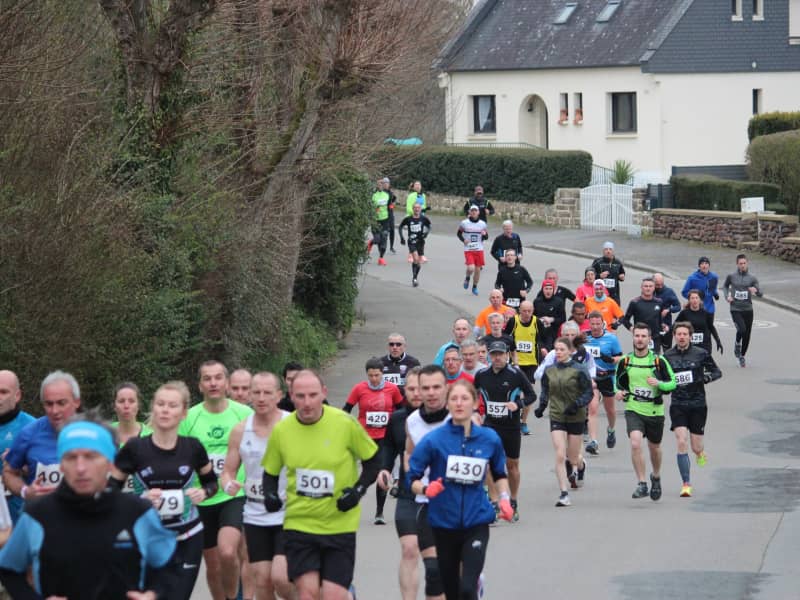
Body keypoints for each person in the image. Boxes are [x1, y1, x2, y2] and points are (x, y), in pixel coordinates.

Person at [0, 414, 180, 599]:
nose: (80, 468)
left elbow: (169, 565)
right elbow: (8, 569)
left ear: (111, 463)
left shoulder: (137, 512)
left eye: (91, 456)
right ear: (61, 464)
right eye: (71, 457)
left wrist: (153, 594)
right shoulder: (37, 515)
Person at [262, 370, 380, 600]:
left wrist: (357, 491)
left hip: (339, 524)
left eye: (313, 395)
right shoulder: (282, 430)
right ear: (291, 396)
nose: (307, 403)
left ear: (323, 393)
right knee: (307, 594)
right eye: (301, 396)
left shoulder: (344, 423)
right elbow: (270, 472)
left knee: (332, 596)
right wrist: (270, 494)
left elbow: (373, 462)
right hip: (300, 523)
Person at [112, 381, 218, 600]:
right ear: (153, 408)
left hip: (187, 536)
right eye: (160, 404)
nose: (165, 409)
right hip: (148, 536)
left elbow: (211, 483)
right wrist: (139, 498)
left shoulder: (193, 447)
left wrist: (204, 493)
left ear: (184, 413)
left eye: (172, 405)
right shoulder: (135, 448)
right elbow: (109, 491)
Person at [408, 380, 513, 600]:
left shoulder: (489, 439)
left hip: (477, 521)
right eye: (454, 399)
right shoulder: (434, 440)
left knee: (467, 588)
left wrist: (504, 498)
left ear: (475, 403)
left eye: (464, 398)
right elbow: (412, 478)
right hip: (443, 523)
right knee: (452, 591)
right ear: (447, 404)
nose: (459, 403)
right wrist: (426, 489)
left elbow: (500, 474)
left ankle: (475, 586)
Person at [178, 360, 253, 600]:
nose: (213, 383)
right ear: (199, 385)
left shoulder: (243, 414)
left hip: (235, 495)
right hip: (202, 499)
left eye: (218, 377)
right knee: (214, 565)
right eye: (207, 378)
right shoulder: (190, 418)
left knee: (230, 552)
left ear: (227, 383)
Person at [220, 372, 293, 600]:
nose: (261, 398)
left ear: (279, 395)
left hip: (289, 514)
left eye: (267, 393)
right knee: (262, 580)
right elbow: (228, 471)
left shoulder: (292, 425)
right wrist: (228, 484)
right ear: (250, 395)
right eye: (257, 392)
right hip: (255, 515)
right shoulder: (240, 431)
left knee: (281, 578)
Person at [375, 367, 427, 600]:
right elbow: (388, 447)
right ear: (404, 390)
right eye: (411, 388)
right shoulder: (397, 419)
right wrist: (385, 469)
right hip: (408, 493)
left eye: (421, 388)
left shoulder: (446, 418)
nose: (416, 393)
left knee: (439, 560)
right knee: (409, 550)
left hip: (441, 496)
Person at [474, 341, 536, 521]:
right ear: (489, 356)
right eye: (494, 354)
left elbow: (532, 395)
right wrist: (477, 413)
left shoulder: (516, 374)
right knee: (488, 464)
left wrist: (517, 404)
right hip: (490, 425)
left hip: (511, 426)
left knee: (512, 466)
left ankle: (513, 500)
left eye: (500, 354)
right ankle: (494, 503)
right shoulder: (482, 374)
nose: (497, 358)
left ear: (507, 355)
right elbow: (473, 394)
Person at [614, 323, 677, 500]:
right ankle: (642, 483)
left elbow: (673, 382)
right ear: (633, 338)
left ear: (649, 339)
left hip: (655, 411)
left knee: (654, 447)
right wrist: (618, 392)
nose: (640, 339)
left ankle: (655, 476)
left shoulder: (658, 361)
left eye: (643, 336)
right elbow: (616, 381)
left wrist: (660, 384)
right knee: (635, 443)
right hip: (634, 408)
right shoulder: (626, 361)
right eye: (637, 336)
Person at [404, 365, 451, 600]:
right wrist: (413, 480)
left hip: (461, 505)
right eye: (426, 388)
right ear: (419, 391)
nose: (431, 393)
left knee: (458, 576)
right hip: (428, 502)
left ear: (446, 388)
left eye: (436, 387)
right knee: (434, 572)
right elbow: (409, 454)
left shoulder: (460, 417)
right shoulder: (412, 421)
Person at [3, 371, 81, 505]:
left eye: (61, 403)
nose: (55, 411)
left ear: (76, 402)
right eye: (49, 404)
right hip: (43, 520)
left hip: (84, 519)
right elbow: (9, 472)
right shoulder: (29, 433)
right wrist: (25, 491)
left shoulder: (95, 433)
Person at [534, 336, 594, 506]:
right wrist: (542, 406)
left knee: (573, 458)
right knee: (560, 453)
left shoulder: (579, 369)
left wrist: (577, 405)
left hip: (576, 416)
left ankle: (580, 467)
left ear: (570, 351)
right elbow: (545, 390)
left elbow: (588, 393)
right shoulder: (549, 370)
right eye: (556, 349)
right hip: (557, 415)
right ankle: (564, 493)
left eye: (562, 349)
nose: (558, 353)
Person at [664, 322, 722, 497]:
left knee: (696, 446)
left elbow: (717, 372)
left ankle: (700, 452)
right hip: (678, 404)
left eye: (684, 334)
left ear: (690, 336)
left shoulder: (701, 354)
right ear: (674, 335)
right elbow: (660, 377)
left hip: (697, 404)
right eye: (678, 334)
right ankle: (686, 483)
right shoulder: (667, 355)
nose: (681, 337)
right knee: (681, 441)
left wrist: (706, 378)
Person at [344, 357, 403, 525]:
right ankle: (354, 495)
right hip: (365, 438)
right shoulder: (359, 389)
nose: (374, 379)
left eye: (377, 375)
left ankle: (379, 512)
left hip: (385, 438)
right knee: (369, 473)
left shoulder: (392, 389)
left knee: (382, 473)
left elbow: (401, 411)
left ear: (382, 373)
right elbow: (346, 410)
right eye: (370, 375)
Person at [583, 311, 624, 453]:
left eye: (598, 324)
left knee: (610, 410)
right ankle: (593, 441)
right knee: (593, 408)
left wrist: (611, 359)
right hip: (592, 377)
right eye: (592, 324)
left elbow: (621, 358)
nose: (595, 327)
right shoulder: (584, 337)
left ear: (603, 323)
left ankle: (611, 429)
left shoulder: (611, 338)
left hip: (607, 376)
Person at [0, 371, 34, 524]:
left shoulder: (33, 428)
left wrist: (22, 465)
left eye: (3, 392)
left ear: (17, 395)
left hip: (19, 522)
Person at [504, 300, 541, 436]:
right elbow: (505, 337)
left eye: (529, 311)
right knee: (516, 393)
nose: (527, 314)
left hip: (531, 363)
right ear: (520, 310)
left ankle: (523, 422)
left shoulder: (537, 322)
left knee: (528, 394)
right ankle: (514, 419)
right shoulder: (513, 322)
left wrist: (544, 349)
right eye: (524, 311)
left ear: (532, 311)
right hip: (516, 362)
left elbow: (544, 338)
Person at [723, 253, 763, 367]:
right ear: (737, 264)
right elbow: (725, 286)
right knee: (742, 329)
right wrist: (727, 297)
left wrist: (755, 290)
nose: (743, 265)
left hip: (748, 309)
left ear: (747, 263)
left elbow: (761, 293)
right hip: (735, 308)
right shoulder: (731, 276)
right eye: (740, 263)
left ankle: (742, 356)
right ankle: (737, 343)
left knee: (747, 334)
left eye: (744, 263)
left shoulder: (752, 278)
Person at [622, 277, 668, 354]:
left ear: (654, 288)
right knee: (640, 361)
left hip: (654, 338)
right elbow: (625, 320)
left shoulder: (659, 302)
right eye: (646, 286)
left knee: (655, 361)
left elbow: (659, 319)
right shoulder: (635, 302)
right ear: (641, 288)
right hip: (640, 338)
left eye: (650, 286)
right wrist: (632, 328)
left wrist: (663, 326)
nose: (648, 288)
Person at [676, 290, 723, 355]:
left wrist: (718, 341)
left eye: (696, 298)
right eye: (692, 298)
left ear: (700, 300)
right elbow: (675, 326)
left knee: (706, 363)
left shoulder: (706, 314)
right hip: (690, 344)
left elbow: (711, 327)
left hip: (704, 344)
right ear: (689, 300)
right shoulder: (684, 313)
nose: (694, 300)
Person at [457, 205, 489, 296]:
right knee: (471, 268)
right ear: (469, 212)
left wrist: (484, 235)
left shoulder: (482, 224)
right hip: (468, 249)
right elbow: (459, 233)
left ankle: (474, 287)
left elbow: (486, 237)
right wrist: (463, 240)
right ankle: (467, 277)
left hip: (479, 249)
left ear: (478, 212)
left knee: (478, 270)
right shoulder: (464, 223)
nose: (474, 212)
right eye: (472, 211)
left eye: (475, 211)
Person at [399, 202, 432, 287]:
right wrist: (402, 237)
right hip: (411, 242)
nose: (417, 209)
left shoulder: (423, 218)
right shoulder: (408, 219)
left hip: (420, 242)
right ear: (413, 209)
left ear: (420, 209)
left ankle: (415, 276)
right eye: (415, 208)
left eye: (418, 208)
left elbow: (429, 226)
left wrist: (426, 234)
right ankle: (414, 279)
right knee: (416, 259)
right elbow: (400, 226)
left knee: (418, 263)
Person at [533, 279, 566, 358]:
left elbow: (563, 319)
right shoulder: (537, 301)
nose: (548, 291)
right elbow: (533, 318)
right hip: (540, 334)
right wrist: (540, 320)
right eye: (546, 289)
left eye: (550, 289)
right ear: (542, 289)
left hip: (553, 333)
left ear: (553, 290)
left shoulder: (559, 302)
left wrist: (552, 320)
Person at [681, 257, 720, 322]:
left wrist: (715, 294)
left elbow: (713, 288)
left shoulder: (714, 277)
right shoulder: (692, 278)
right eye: (702, 264)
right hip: (697, 308)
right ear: (699, 266)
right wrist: (694, 297)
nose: (704, 266)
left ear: (709, 265)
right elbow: (684, 292)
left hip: (710, 308)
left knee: (709, 329)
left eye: (706, 263)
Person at [591, 241, 626, 305]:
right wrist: (599, 276)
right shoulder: (598, 262)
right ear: (603, 251)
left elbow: (622, 273)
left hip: (614, 295)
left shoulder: (618, 262)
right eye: (606, 249)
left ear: (613, 251)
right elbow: (590, 276)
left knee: (616, 313)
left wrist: (622, 277)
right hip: (601, 294)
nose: (608, 251)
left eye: (610, 249)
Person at [653, 272, 681, 349]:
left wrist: (668, 310)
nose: (660, 286)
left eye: (661, 284)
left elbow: (678, 306)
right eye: (657, 285)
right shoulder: (650, 291)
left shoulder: (669, 292)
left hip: (666, 326)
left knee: (667, 352)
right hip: (653, 327)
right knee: (654, 353)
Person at [381, 177, 398, 253]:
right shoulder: (381, 192)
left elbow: (394, 199)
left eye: (387, 183)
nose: (385, 184)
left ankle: (391, 247)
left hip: (390, 213)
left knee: (392, 230)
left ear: (389, 184)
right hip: (383, 214)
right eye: (384, 183)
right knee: (383, 231)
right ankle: (382, 245)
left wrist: (393, 204)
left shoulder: (391, 192)